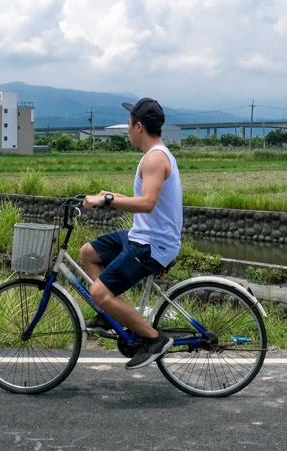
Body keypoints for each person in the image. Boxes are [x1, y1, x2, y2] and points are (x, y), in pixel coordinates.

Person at [80, 97, 183, 370]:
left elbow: (147, 203)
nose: (126, 128)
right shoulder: (155, 156)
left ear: (138, 127)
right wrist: (109, 196)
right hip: (142, 235)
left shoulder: (155, 159)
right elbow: (149, 202)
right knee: (88, 253)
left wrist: (109, 200)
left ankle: (153, 339)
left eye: (129, 123)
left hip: (153, 245)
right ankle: (108, 314)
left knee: (99, 291)